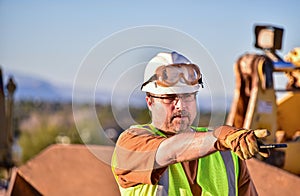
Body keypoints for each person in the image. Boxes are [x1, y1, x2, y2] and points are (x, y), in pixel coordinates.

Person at [112, 51, 269, 196]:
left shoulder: (228, 153)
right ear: (150, 101)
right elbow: (171, 150)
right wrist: (219, 137)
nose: (181, 105)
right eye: (169, 97)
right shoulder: (130, 143)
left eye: (188, 96)